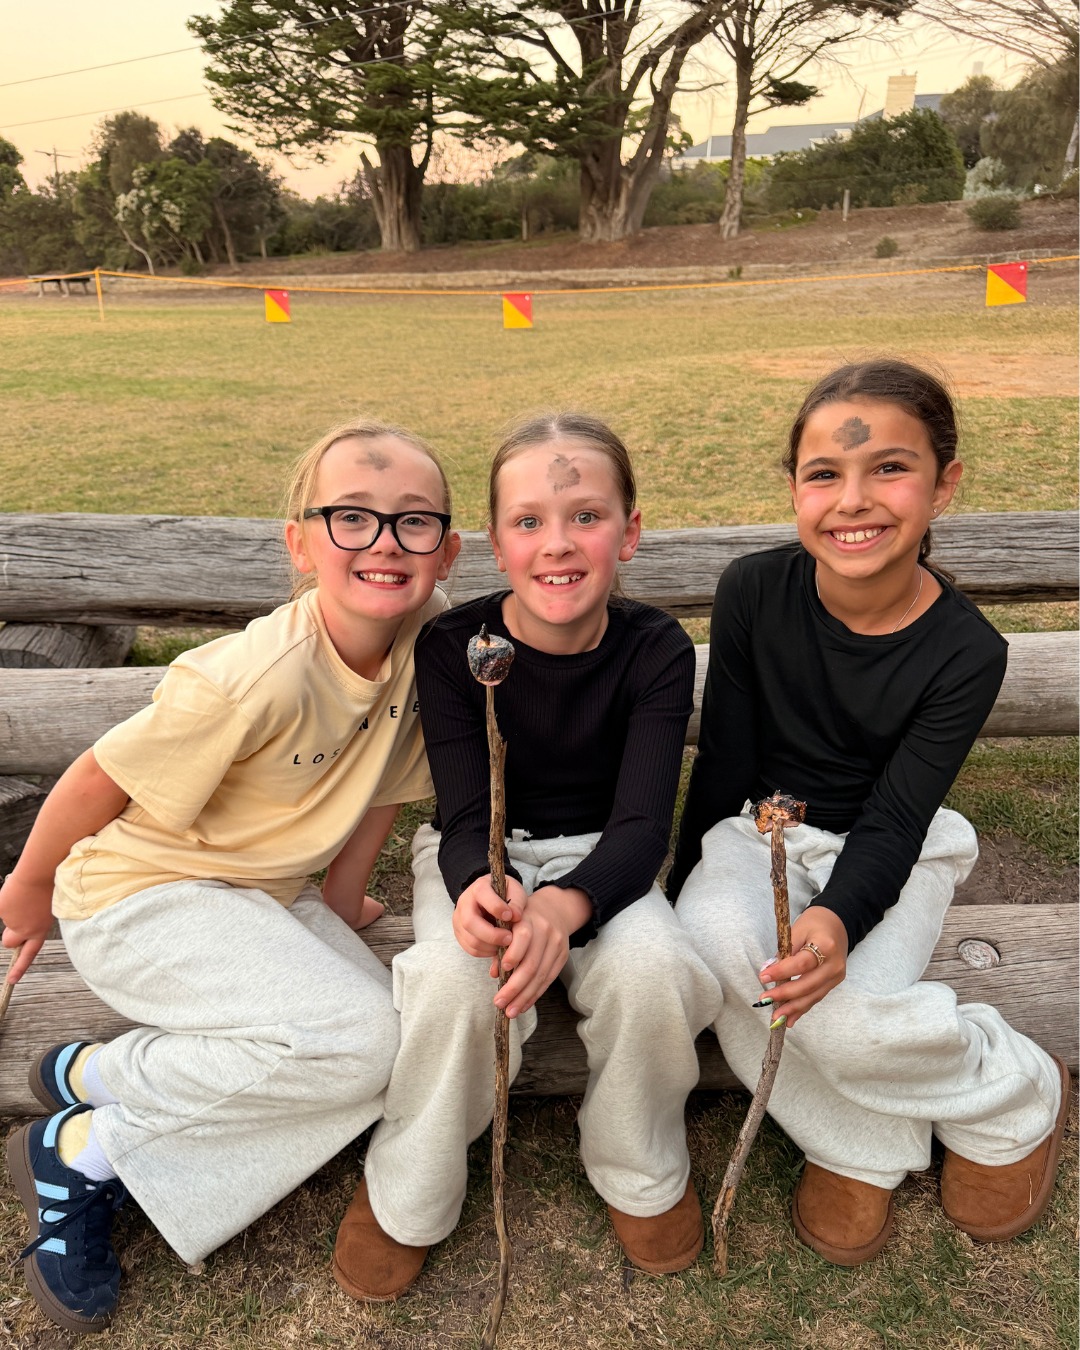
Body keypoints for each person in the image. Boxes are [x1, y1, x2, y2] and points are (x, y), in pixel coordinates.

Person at [0, 419, 461, 1333]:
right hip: (137, 898)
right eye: (351, 519)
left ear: (446, 551)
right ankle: (86, 1146)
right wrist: (27, 890)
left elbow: (383, 790)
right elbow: (99, 775)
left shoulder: (430, 645)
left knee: (393, 1050)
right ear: (300, 542)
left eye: (413, 521)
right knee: (357, 1045)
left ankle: (89, 1076)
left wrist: (337, 901)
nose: (383, 543)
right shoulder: (256, 675)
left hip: (260, 895)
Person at [668, 359, 1068, 1267]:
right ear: (796, 490)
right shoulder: (753, 592)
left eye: (889, 468)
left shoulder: (968, 651)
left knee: (844, 1014)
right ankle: (860, 1142)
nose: (854, 500)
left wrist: (839, 916)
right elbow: (726, 757)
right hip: (760, 830)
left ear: (944, 485)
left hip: (895, 844)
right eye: (824, 474)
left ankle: (1013, 1089)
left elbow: (898, 816)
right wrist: (686, 881)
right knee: (714, 940)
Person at [331, 413, 723, 1300]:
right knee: (451, 978)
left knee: (656, 967)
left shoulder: (657, 648)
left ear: (630, 531)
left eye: (586, 516)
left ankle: (638, 1163)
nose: (558, 543)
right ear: (496, 545)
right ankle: (411, 1189)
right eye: (529, 521)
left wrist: (567, 906)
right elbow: (467, 809)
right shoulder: (454, 646)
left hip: (602, 861)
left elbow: (639, 830)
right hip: (484, 849)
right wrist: (483, 890)